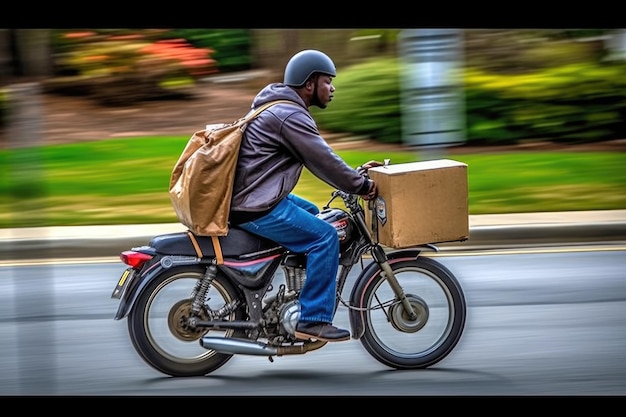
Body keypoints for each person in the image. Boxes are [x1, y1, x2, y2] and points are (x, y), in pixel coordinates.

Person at [229, 49, 381, 342]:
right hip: (256, 205)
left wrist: (354, 174)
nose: (332, 88)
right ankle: (312, 319)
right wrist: (362, 186)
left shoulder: (279, 107)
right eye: (328, 81)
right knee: (324, 236)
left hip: (255, 197)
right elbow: (322, 159)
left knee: (314, 214)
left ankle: (294, 295)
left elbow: (323, 158)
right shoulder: (289, 115)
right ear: (310, 84)